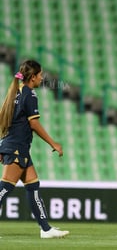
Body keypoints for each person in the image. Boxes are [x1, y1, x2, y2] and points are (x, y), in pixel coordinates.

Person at [0, 59, 69, 239]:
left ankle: (45, 229)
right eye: (40, 75)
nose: (42, 78)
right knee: (4, 188)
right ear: (32, 77)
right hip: (16, 147)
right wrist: (53, 143)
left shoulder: (15, 92)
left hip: (15, 146)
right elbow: (34, 123)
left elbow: (6, 121)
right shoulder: (29, 94)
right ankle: (45, 228)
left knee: (33, 186)